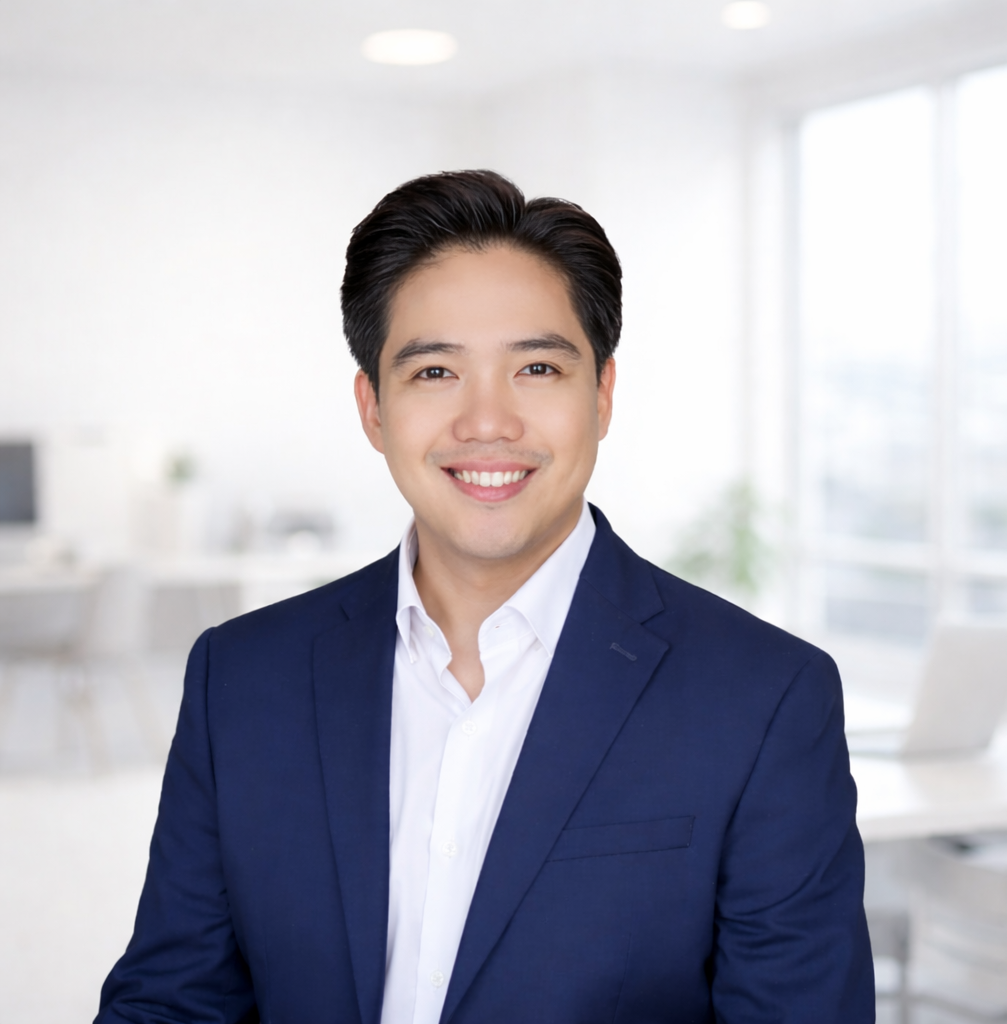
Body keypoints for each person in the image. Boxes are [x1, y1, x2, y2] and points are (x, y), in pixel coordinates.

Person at [96, 170, 874, 1024]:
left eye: (537, 367)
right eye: (435, 371)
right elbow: (171, 1002)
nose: (487, 422)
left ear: (603, 396)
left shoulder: (763, 698)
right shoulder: (242, 679)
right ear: (373, 408)